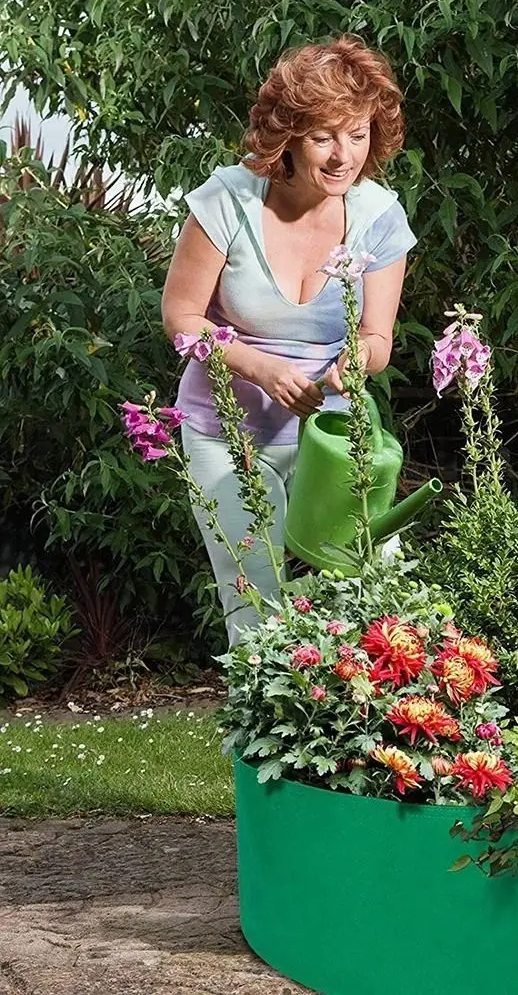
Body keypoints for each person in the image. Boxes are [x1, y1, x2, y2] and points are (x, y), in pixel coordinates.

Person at [161, 36, 417, 644]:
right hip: (226, 432)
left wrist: (357, 361)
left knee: (377, 595)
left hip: (334, 438)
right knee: (255, 602)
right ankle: (255, 742)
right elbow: (180, 317)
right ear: (288, 135)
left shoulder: (380, 217)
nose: (342, 155)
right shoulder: (227, 201)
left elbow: (376, 338)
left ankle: (366, 737)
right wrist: (259, 368)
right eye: (324, 136)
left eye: (357, 135)